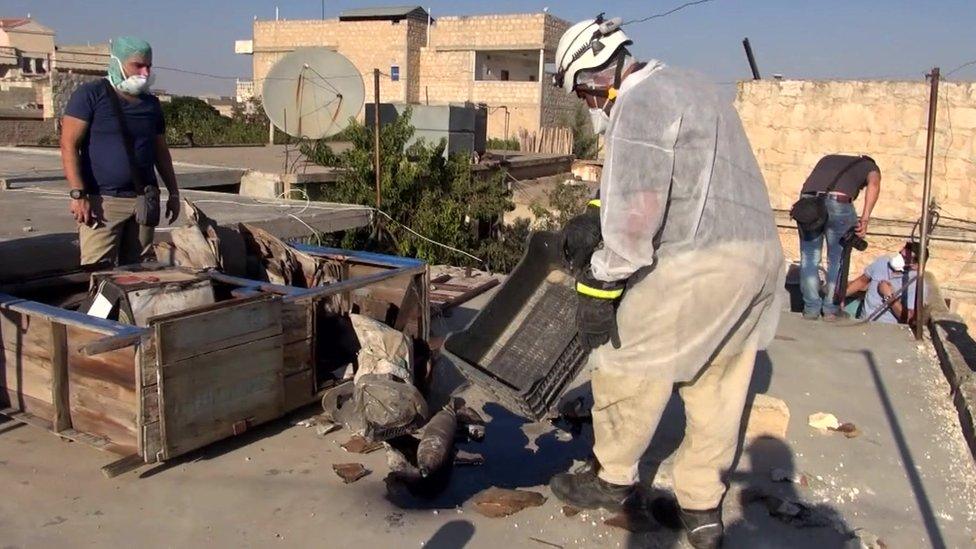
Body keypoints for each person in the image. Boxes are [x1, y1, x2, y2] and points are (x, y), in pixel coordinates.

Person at [547, 15, 783, 549]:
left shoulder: (638, 102)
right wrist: (594, 212)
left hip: (700, 261)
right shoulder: (693, 86)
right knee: (717, 382)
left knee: (625, 358)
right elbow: (678, 176)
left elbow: (638, 219)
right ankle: (700, 507)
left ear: (595, 72)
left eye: (584, 90)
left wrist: (599, 287)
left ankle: (612, 478)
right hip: (757, 257)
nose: (588, 103)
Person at [60, 36, 179, 266]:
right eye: (138, 65)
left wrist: (173, 194)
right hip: (103, 203)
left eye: (148, 66)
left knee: (136, 273)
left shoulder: (151, 104)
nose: (145, 72)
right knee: (98, 272)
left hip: (144, 201)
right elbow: (69, 146)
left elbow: (161, 153)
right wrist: (78, 194)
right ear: (117, 62)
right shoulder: (91, 95)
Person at [797, 154, 881, 321]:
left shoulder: (827, 159)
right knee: (837, 259)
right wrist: (865, 218)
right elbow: (874, 184)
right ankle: (830, 309)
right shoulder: (870, 166)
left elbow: (807, 185)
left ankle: (811, 309)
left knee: (809, 258)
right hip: (839, 203)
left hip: (809, 203)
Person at [845, 242, 926, 324]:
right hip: (863, 321)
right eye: (900, 254)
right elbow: (862, 281)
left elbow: (909, 318)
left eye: (905, 258)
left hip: (886, 328)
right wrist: (839, 297)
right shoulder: (883, 262)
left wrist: (889, 296)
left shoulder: (915, 283)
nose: (899, 258)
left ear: (916, 265)